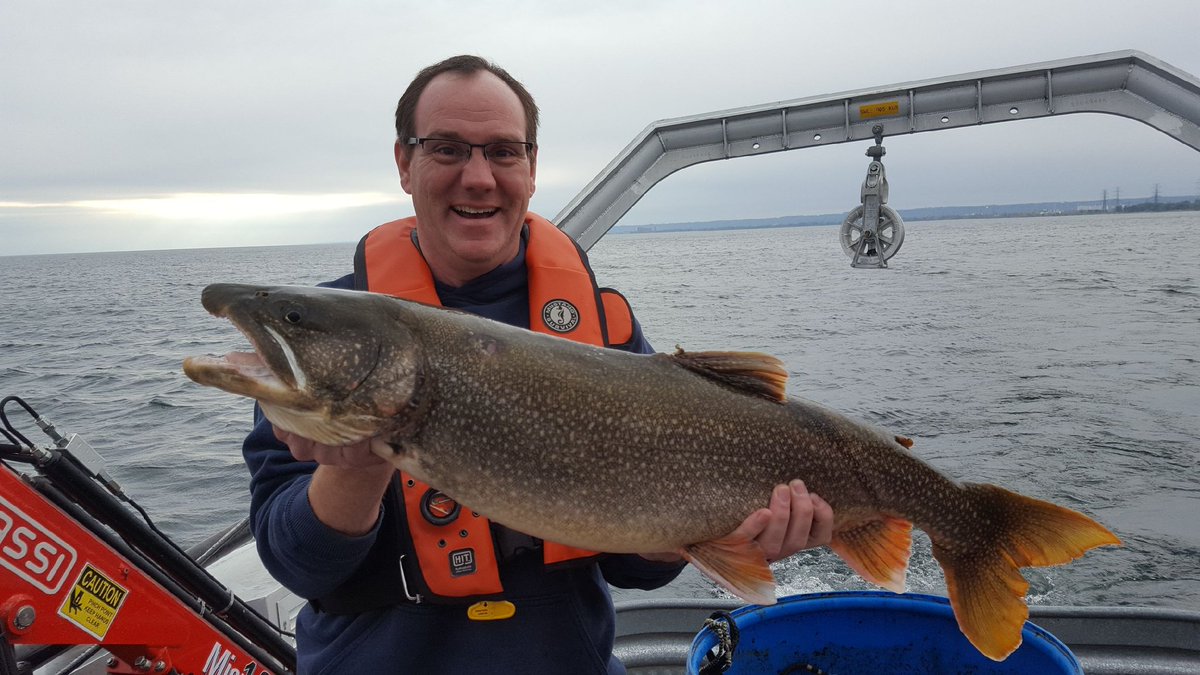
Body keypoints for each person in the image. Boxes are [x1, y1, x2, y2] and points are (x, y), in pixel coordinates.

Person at [242, 54, 834, 674]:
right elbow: (297, 564)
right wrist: (357, 468)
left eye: (503, 152)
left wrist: (725, 535)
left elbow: (633, 566)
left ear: (531, 168)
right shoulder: (331, 338)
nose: (478, 177)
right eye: (447, 149)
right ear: (403, 163)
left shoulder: (603, 332)